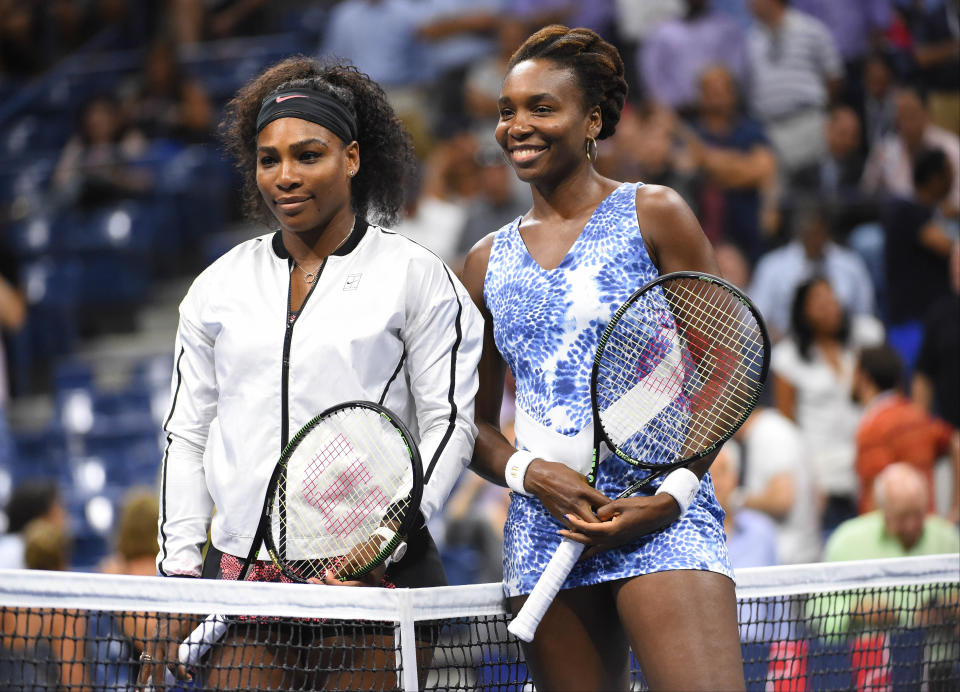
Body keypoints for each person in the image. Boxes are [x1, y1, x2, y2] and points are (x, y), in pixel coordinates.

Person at [139, 55, 483, 691]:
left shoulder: (415, 275)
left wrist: (387, 535)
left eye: (308, 155)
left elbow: (450, 422)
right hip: (244, 585)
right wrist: (180, 573)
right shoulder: (217, 287)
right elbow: (187, 436)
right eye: (269, 160)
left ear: (352, 159)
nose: (285, 176)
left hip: (377, 580)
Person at [461, 25, 744, 691]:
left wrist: (672, 495)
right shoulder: (482, 262)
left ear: (592, 121)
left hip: (659, 516)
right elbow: (469, 426)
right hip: (547, 531)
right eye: (507, 110)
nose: (518, 126)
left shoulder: (656, 214)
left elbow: (727, 371)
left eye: (541, 107)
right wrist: (535, 477)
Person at [770, 276, 883, 533]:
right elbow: (788, 426)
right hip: (824, 476)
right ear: (802, 312)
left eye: (831, 297)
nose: (828, 306)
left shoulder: (865, 339)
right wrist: (809, 480)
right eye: (818, 301)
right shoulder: (787, 358)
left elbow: (887, 391)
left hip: (868, 468)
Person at [852, 344, 956, 515]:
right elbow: (955, 442)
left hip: (895, 533)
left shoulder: (872, 429)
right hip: (925, 527)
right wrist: (955, 509)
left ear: (864, 377)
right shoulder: (918, 416)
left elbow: (871, 503)